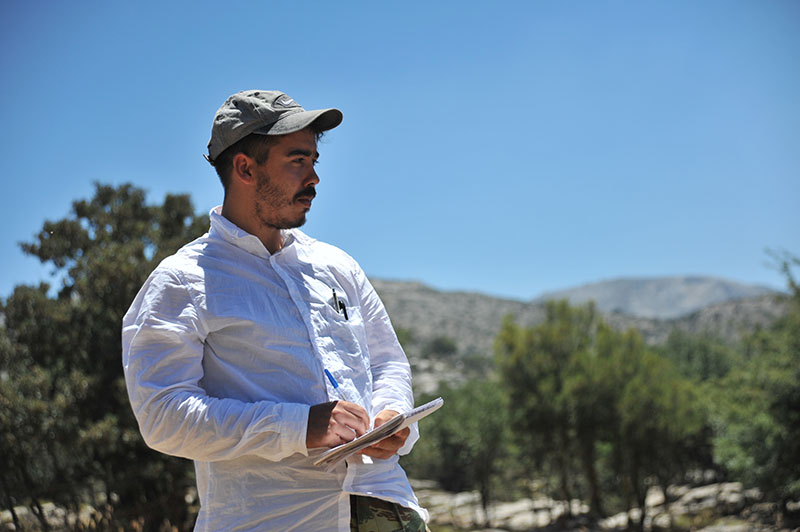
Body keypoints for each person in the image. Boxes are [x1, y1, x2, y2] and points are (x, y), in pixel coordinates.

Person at [122, 90, 430, 531]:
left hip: (388, 505)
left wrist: (392, 415)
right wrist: (299, 426)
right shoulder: (182, 281)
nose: (314, 178)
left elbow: (386, 362)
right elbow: (163, 416)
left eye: (314, 161)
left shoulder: (337, 266)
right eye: (297, 161)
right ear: (245, 168)